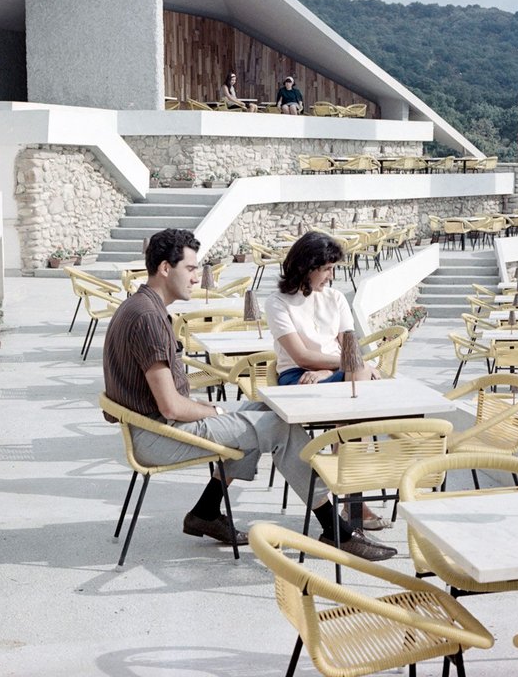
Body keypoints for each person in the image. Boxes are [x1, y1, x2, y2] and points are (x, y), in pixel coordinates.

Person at [102, 227, 395, 560]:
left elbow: (166, 400)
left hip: (153, 426)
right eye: (192, 268)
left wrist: (207, 409)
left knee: (259, 407)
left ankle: (206, 511)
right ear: (166, 269)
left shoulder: (140, 307)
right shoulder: (149, 319)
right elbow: (171, 407)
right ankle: (335, 530)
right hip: (158, 436)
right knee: (279, 427)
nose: (197, 278)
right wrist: (213, 412)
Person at [265, 231, 391, 530]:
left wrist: (329, 371)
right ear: (306, 267)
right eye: (326, 269)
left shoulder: (335, 298)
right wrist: (337, 366)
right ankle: (353, 503)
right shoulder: (278, 302)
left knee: (355, 393)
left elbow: (349, 350)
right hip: (299, 379)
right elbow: (301, 357)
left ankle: (349, 497)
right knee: (358, 390)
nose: (331, 276)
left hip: (332, 374)